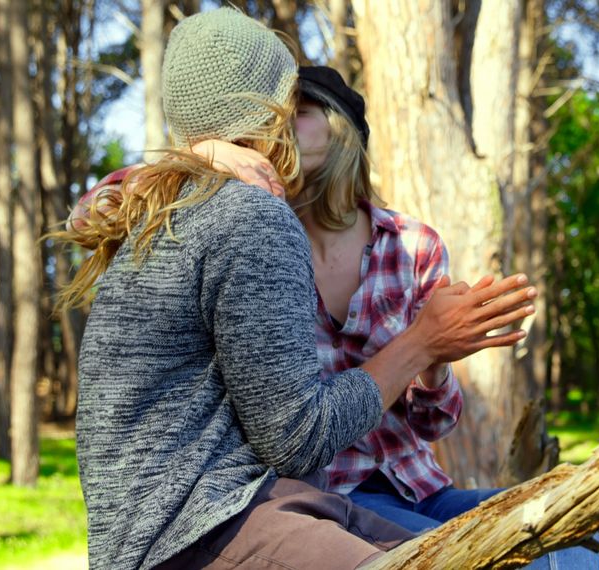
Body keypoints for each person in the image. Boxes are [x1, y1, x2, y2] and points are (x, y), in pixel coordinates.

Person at [57, 9, 534, 570]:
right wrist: (422, 343)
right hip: (196, 524)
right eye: (289, 103)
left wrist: (436, 355)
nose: (292, 121)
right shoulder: (250, 213)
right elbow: (297, 438)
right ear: (266, 108)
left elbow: (424, 421)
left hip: (270, 499)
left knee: (524, 553)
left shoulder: (201, 209)